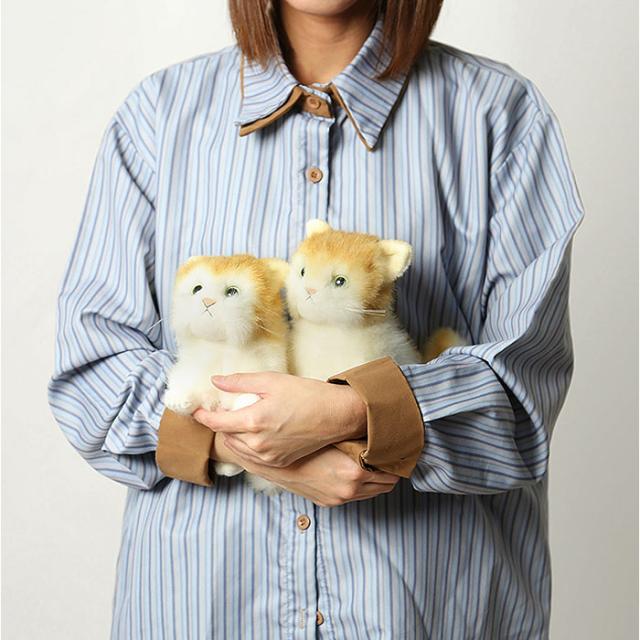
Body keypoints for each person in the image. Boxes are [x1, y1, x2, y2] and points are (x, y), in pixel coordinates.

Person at [47, 0, 586, 637]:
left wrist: (352, 412)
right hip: (202, 608)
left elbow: (523, 395)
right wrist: (246, 445)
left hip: (428, 609)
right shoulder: (159, 117)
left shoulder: (499, 114)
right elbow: (91, 374)